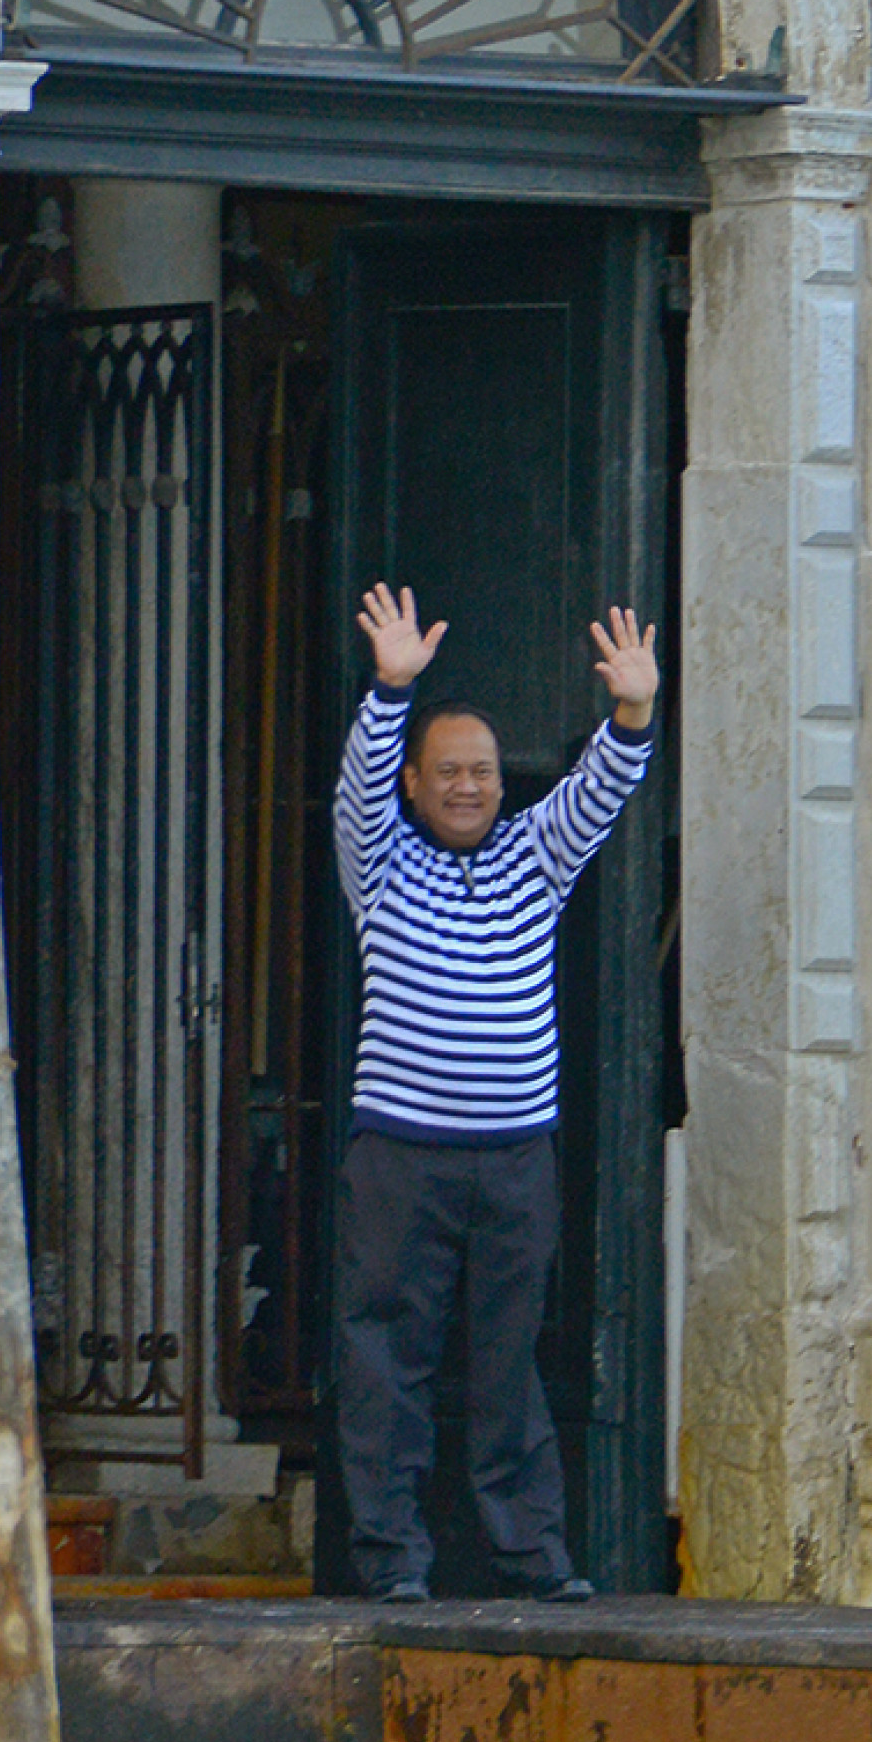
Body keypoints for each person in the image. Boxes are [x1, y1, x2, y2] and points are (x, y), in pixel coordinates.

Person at [332, 577, 659, 1606]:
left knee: (510, 1363)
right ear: (417, 786)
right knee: (389, 1364)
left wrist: (634, 708)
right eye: (448, 772)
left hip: (517, 1157)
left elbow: (601, 792)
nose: (469, 785)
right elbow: (356, 786)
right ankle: (392, 1567)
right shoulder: (378, 862)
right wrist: (391, 693)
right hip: (400, 1157)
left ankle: (534, 1563)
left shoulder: (535, 859)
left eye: (481, 770)